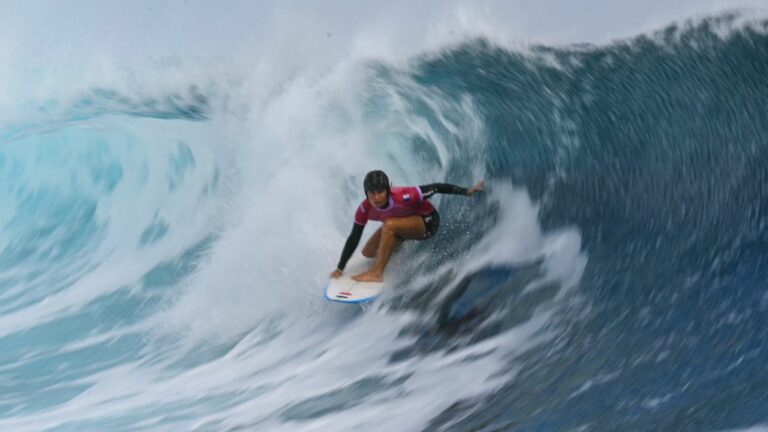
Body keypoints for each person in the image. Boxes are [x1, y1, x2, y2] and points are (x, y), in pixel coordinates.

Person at [330, 170, 484, 283]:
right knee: (368, 252)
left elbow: (436, 187)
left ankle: (377, 273)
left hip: (427, 222)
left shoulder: (405, 195)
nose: (376, 197)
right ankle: (395, 245)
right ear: (366, 193)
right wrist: (340, 268)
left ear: (388, 191)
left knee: (389, 225)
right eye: (372, 193)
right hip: (402, 224)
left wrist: (467, 191)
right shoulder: (364, 209)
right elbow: (354, 237)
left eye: (380, 192)